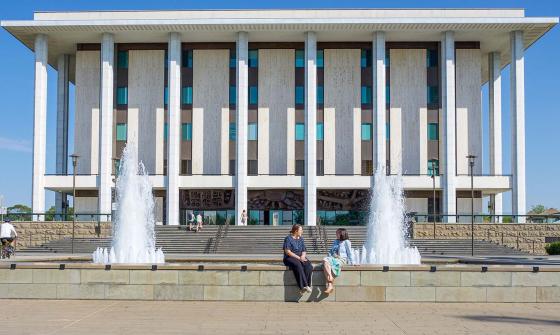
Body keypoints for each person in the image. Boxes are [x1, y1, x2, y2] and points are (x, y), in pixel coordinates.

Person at [322, 228, 356, 294]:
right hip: (333, 258)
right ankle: (330, 278)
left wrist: (353, 263)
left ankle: (330, 284)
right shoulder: (335, 241)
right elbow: (331, 251)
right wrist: (330, 256)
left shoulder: (346, 242)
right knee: (325, 260)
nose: (336, 234)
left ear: (341, 234)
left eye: (337, 233)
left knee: (326, 263)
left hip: (342, 259)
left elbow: (349, 253)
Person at [283, 224, 313, 293]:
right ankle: (304, 286)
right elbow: (288, 252)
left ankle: (307, 285)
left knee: (309, 266)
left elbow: (304, 250)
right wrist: (299, 258)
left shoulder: (301, 239)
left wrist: (303, 256)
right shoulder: (288, 238)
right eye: (301, 230)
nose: (302, 231)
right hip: (290, 257)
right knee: (298, 265)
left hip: (300, 256)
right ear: (296, 231)